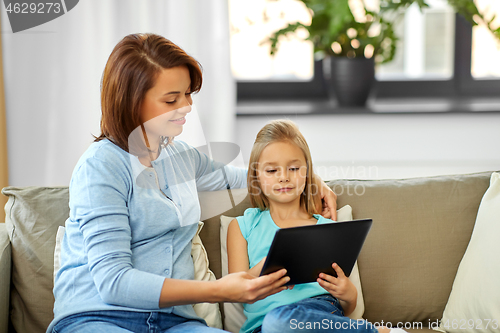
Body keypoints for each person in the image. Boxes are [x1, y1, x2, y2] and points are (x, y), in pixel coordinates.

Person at [48, 33, 338, 333]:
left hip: (174, 322)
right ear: (131, 102)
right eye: (172, 99)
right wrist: (220, 291)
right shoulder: (101, 165)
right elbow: (113, 282)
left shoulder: (182, 158)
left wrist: (312, 179)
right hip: (99, 317)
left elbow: (254, 177)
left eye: (188, 94)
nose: (186, 106)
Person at [227, 120, 405, 333]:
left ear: (307, 172)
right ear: (256, 176)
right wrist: (269, 265)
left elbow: (347, 309)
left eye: (293, 168)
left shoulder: (327, 228)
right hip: (262, 327)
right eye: (272, 170)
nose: (284, 177)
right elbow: (233, 291)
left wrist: (349, 295)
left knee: (281, 322)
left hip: (318, 311)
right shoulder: (242, 226)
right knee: (276, 322)